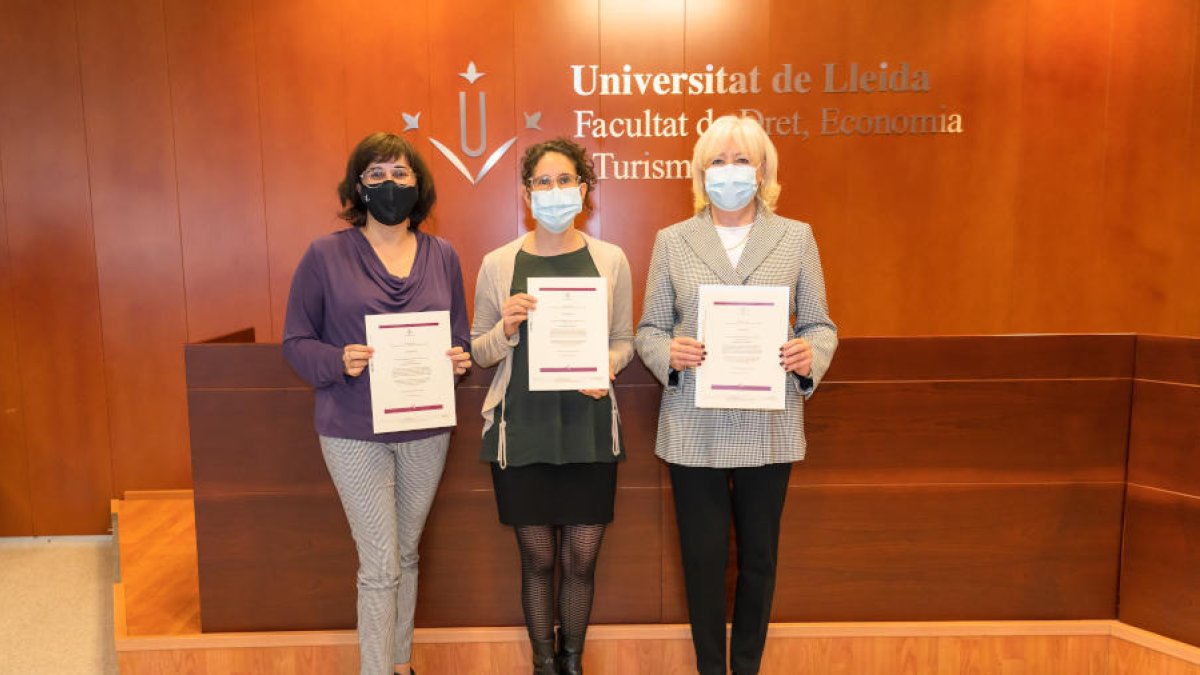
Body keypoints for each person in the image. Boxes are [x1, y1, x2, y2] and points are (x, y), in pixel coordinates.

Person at [634, 115, 837, 675]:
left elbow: (821, 325)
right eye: (718, 161)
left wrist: (808, 356)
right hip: (693, 425)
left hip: (768, 424)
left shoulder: (796, 236)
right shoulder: (672, 240)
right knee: (701, 561)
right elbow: (649, 328)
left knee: (759, 561)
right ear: (701, 172)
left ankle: (745, 667)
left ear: (763, 170)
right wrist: (666, 352)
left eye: (742, 160)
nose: (730, 172)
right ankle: (709, 669)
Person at [282, 132, 471, 675]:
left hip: (425, 428)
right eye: (377, 174)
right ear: (358, 186)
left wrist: (456, 361)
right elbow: (296, 342)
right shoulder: (324, 255)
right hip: (351, 429)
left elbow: (456, 336)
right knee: (381, 564)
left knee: (406, 555)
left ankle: (401, 662)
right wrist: (339, 360)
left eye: (401, 173)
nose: (390, 184)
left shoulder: (444, 255)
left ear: (419, 183)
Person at [471, 138, 633, 675]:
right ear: (526, 193)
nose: (555, 191)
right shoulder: (498, 264)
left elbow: (624, 339)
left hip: (587, 428)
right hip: (524, 430)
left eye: (566, 180)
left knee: (581, 560)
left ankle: (573, 662)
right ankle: (544, 664)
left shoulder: (610, 259)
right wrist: (507, 328)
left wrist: (607, 365)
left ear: (584, 190)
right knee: (538, 560)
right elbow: (479, 349)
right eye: (543, 181)